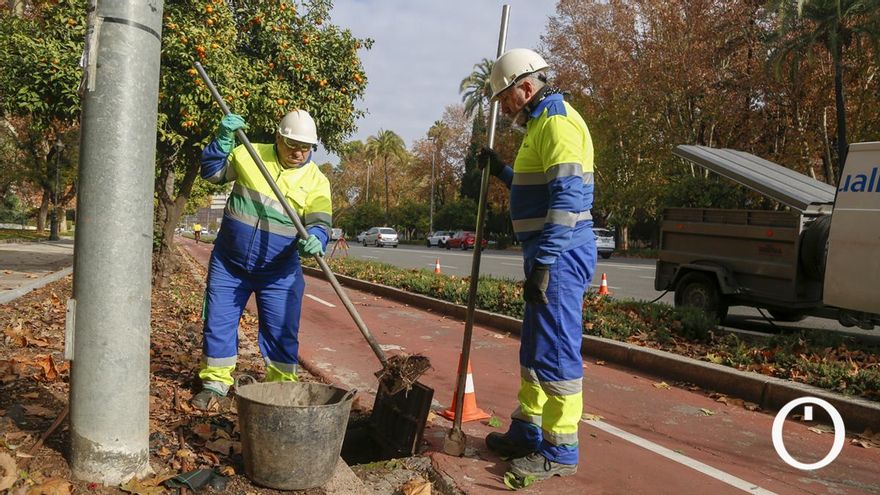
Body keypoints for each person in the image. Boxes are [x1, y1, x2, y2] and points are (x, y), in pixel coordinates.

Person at [478, 48, 597, 484]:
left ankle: (561, 450)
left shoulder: (558, 123)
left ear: (525, 88)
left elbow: (567, 199)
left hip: (560, 255)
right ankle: (528, 431)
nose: (503, 106)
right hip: (547, 254)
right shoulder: (539, 125)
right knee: (533, 349)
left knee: (557, 351)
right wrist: (503, 172)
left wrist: (545, 263)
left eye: (505, 97)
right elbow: (538, 186)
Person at [191, 109, 332, 410]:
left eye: (305, 147)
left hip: (279, 272)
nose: (298, 152)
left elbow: (320, 222)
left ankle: (281, 391)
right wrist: (223, 140)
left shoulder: (316, 181)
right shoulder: (248, 154)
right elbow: (212, 173)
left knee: (282, 331)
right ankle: (215, 383)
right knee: (218, 323)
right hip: (230, 264)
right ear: (278, 137)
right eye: (292, 144)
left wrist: (317, 238)